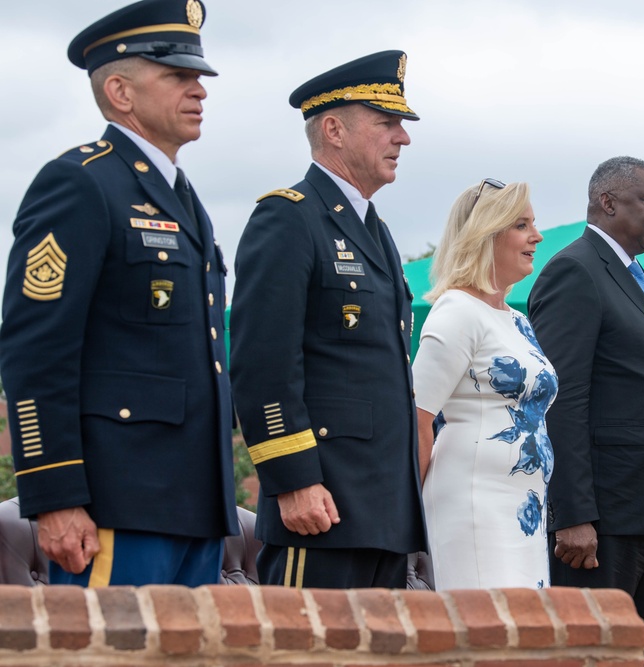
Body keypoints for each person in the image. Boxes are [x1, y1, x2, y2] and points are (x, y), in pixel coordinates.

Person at [0, 0, 237, 587]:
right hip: (116, 505)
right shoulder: (81, 182)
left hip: (195, 506)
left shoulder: (185, 197)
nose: (199, 90)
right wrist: (55, 494)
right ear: (120, 92)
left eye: (200, 78)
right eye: (178, 77)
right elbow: (35, 352)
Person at [229, 50, 424, 589]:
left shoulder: (377, 230)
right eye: (387, 123)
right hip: (320, 504)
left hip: (381, 508)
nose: (403, 138)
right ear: (334, 129)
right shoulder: (289, 217)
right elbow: (262, 363)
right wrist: (292, 479)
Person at [527, 156, 644, 667]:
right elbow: (562, 399)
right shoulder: (576, 269)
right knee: (597, 654)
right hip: (606, 518)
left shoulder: (633, 276)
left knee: (640, 655)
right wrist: (574, 513)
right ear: (608, 202)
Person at [412, 180, 556, 590]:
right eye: (522, 224)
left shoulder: (518, 321)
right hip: (473, 505)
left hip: (525, 508)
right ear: (485, 235)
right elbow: (418, 418)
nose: (537, 235)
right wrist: (408, 516)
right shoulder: (456, 311)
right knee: (486, 637)